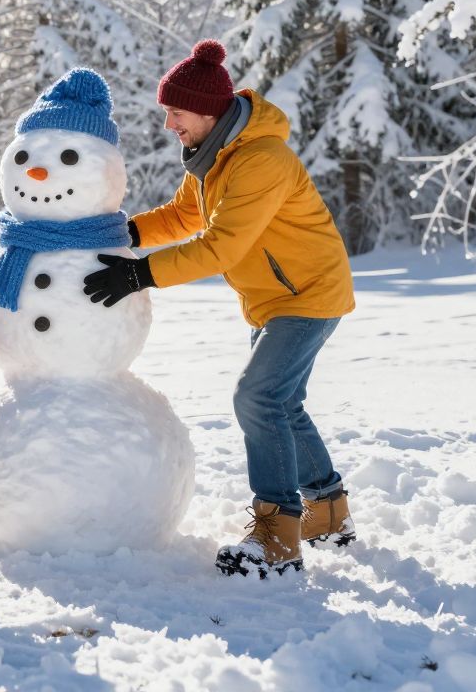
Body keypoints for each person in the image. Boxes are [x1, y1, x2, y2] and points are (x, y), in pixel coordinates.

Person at [82, 40, 355, 578]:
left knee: (258, 397)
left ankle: (277, 535)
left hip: (308, 295)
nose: (169, 124)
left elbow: (220, 246)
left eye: (176, 112)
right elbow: (184, 216)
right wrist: (119, 233)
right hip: (273, 299)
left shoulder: (261, 160)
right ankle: (327, 511)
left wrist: (138, 274)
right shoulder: (214, 158)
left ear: (206, 110)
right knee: (281, 402)